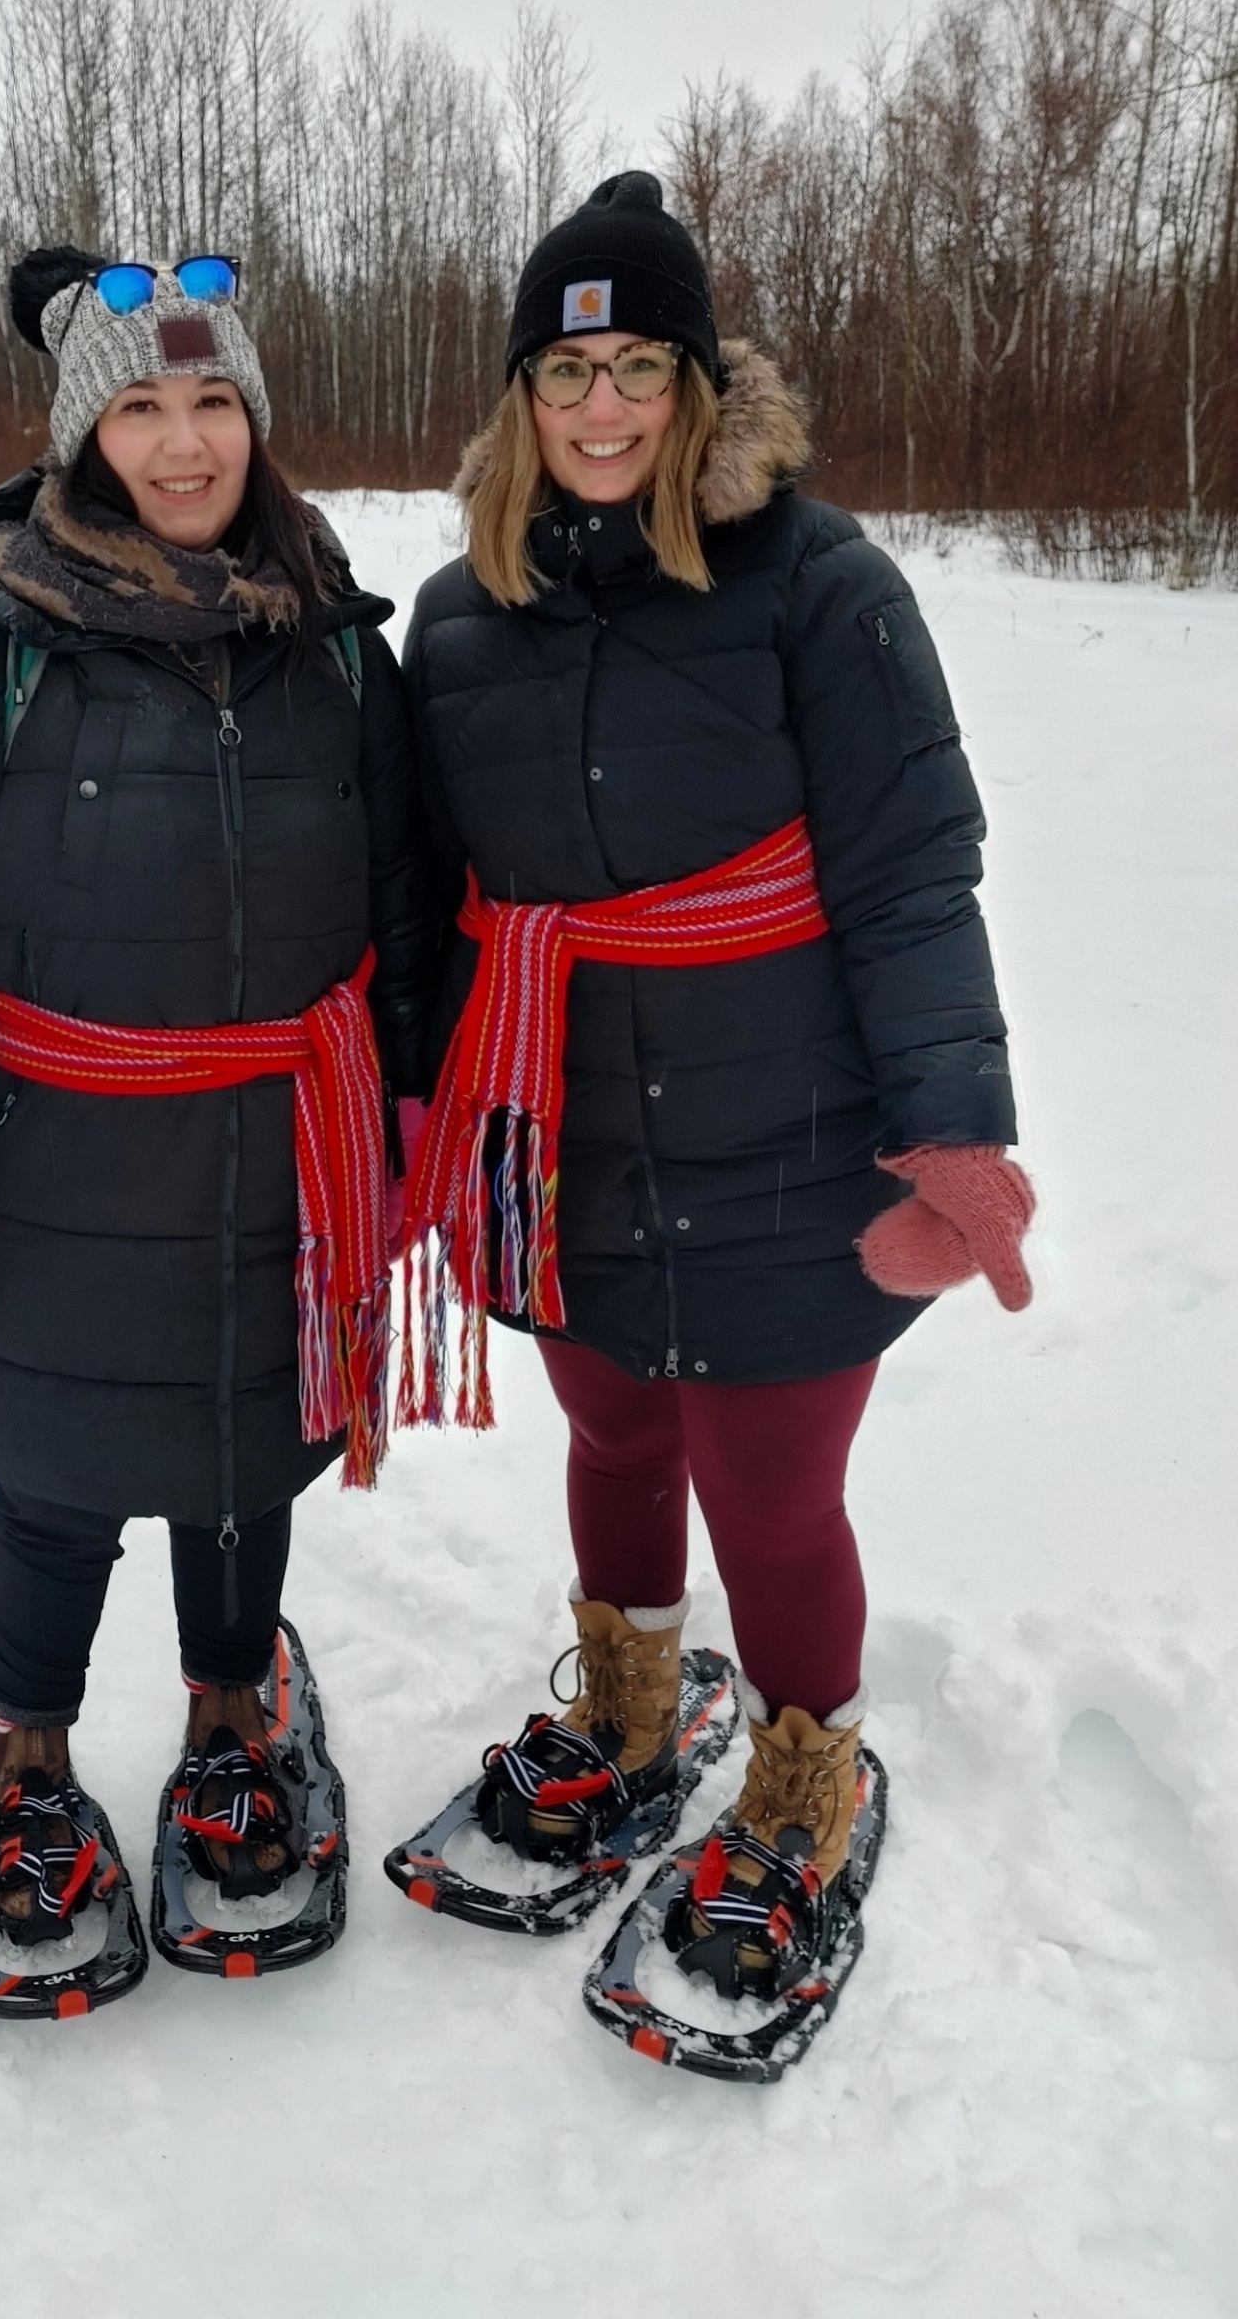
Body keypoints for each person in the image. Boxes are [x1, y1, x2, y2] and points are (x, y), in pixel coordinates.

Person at [395, 173, 1033, 2046]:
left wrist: (953, 1134)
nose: (602, 409)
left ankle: (804, 1778)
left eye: (640, 368)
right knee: (607, 1439)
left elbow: (914, 870)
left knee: (771, 1492)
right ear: (523, 399)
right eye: (567, 370)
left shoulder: (822, 590)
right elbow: (434, 900)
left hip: (789, 1142)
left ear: (699, 387)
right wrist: (423, 1111)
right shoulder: (459, 619)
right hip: (571, 1146)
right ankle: (628, 1707)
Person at [0, 246, 436, 1986]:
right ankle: (23, 1741)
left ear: (254, 418)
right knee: (60, 1469)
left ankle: (236, 1715)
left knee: (249, 1459)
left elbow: (402, 900)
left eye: (213, 403)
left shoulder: (333, 651)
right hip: (59, 1158)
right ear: (83, 433)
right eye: (141, 406)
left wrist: (400, 1108)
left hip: (283, 1147)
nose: (184, 444)